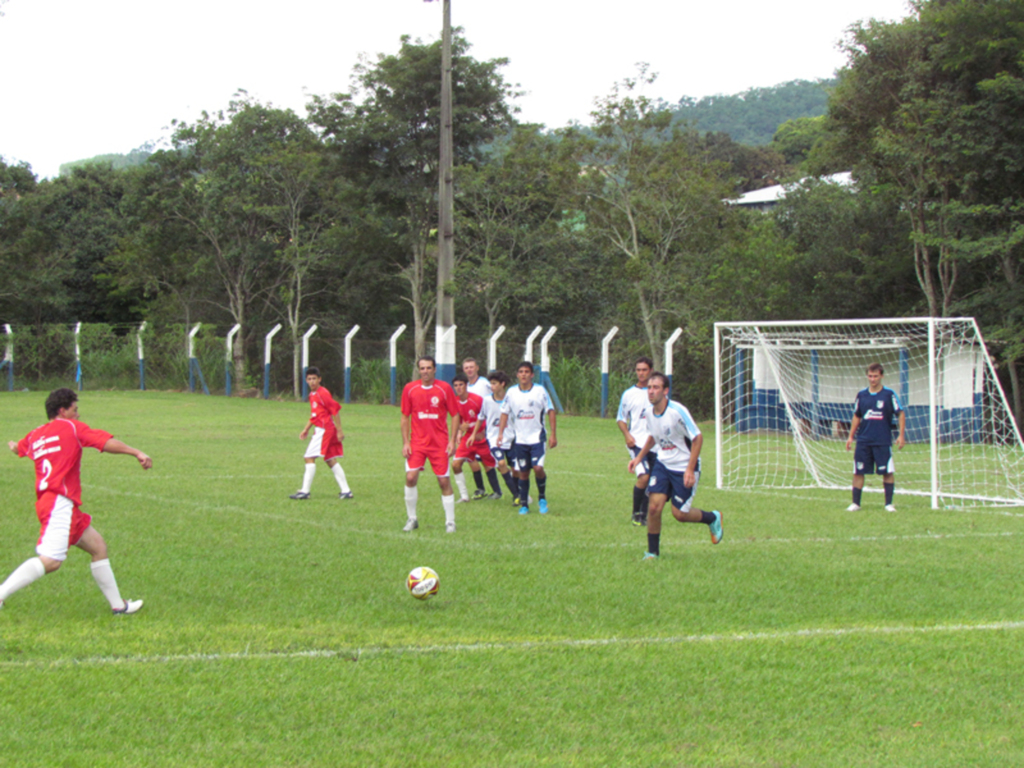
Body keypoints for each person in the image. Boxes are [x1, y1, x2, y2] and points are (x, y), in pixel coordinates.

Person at [2, 388, 151, 614]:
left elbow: (19, 449)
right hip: (58, 504)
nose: (78, 414)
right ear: (63, 411)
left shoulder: (35, 435)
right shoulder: (71, 427)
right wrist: (136, 452)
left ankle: (119, 607)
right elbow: (104, 442)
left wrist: (13, 447)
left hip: (56, 503)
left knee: (98, 547)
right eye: (75, 409)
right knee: (51, 561)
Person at [628, 373, 723, 560]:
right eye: (649, 387)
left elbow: (697, 437)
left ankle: (712, 518)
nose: (651, 391)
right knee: (654, 508)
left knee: (679, 514)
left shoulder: (677, 411)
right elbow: (654, 436)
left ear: (666, 391)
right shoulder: (648, 412)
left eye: (656, 387)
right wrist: (639, 458)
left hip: (684, 466)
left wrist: (690, 468)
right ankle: (652, 553)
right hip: (663, 464)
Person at [400, 356, 461, 533]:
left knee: (443, 481)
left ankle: (450, 522)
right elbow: (405, 417)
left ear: (435, 369)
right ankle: (412, 518)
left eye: (428, 368)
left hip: (439, 444)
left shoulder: (444, 389)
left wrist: (452, 440)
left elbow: (455, 414)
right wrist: (405, 442)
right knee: (410, 477)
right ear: (419, 370)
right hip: (417, 443)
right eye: (422, 368)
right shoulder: (410, 389)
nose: (425, 371)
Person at [845, 362, 907, 512]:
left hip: (882, 440)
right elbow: (857, 416)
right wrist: (850, 436)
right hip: (864, 440)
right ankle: (856, 503)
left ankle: (888, 504)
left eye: (876, 376)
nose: (873, 379)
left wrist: (901, 435)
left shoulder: (889, 394)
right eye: (870, 376)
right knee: (858, 471)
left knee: (887, 471)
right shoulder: (862, 395)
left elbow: (900, 413)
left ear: (882, 376)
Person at [498, 361, 557, 515]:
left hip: (537, 438)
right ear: (517, 375)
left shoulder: (540, 391)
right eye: (521, 372)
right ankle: (524, 505)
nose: (523, 374)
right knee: (523, 472)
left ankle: (542, 498)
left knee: (538, 468)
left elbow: (550, 410)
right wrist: (500, 433)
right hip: (520, 440)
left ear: (532, 375)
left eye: (526, 372)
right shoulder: (511, 393)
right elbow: (504, 412)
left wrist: (553, 434)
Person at [290, 367, 353, 500]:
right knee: (330, 460)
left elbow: (335, 410)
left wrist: (340, 430)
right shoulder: (312, 395)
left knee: (308, 457)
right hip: (322, 428)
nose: (312, 381)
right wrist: (306, 429)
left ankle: (305, 492)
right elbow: (315, 415)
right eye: (309, 379)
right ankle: (346, 491)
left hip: (324, 430)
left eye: (314, 378)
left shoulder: (322, 393)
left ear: (320, 379)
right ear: (306, 380)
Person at [451, 372, 503, 501]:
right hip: (468, 439)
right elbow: (456, 421)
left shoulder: (477, 400)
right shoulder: (454, 402)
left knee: (489, 464)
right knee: (456, 464)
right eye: (456, 385)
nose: (458, 388)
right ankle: (465, 496)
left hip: (482, 438)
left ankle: (497, 491)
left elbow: (487, 415)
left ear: (466, 385)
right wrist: (459, 431)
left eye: (461, 385)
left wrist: (483, 432)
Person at [617, 356, 654, 527]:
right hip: (636, 443)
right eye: (638, 370)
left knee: (652, 480)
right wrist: (627, 435)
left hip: (655, 444)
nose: (641, 373)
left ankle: (644, 516)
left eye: (644, 370)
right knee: (644, 477)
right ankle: (636, 513)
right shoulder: (629, 394)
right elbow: (621, 419)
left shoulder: (656, 392)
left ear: (650, 371)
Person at [478, 370, 520, 502]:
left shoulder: (512, 400)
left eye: (494, 383)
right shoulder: (486, 400)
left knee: (516, 469)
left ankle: (519, 492)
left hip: (512, 438)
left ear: (502, 384)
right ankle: (516, 495)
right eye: (491, 383)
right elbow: (481, 417)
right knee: (501, 463)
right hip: (494, 439)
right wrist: (474, 434)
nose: (492, 386)